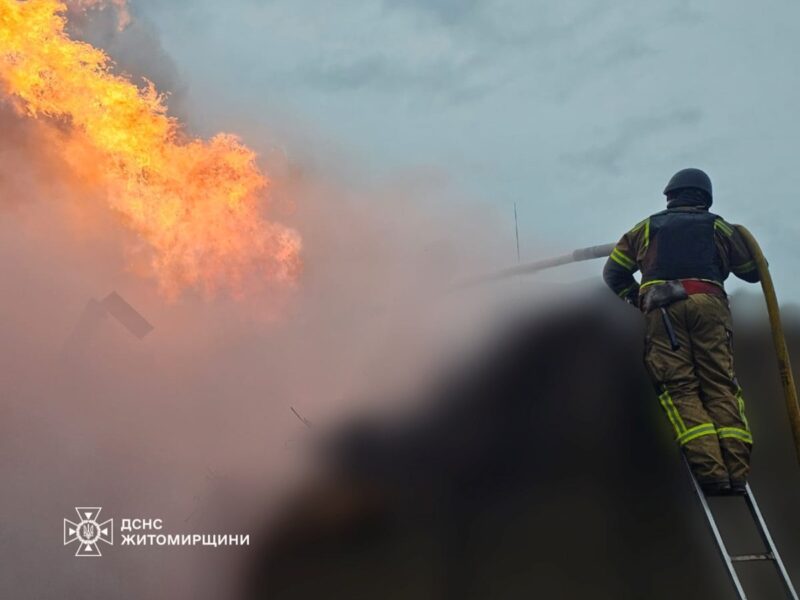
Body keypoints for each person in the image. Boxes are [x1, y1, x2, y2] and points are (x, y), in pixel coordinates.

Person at [603, 168, 760, 494]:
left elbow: (613, 272)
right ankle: (736, 472)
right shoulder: (719, 226)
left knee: (681, 387)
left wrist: (637, 299)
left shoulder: (647, 227)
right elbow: (752, 272)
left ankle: (711, 472)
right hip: (710, 306)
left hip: (664, 309)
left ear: (670, 196)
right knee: (719, 384)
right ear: (705, 198)